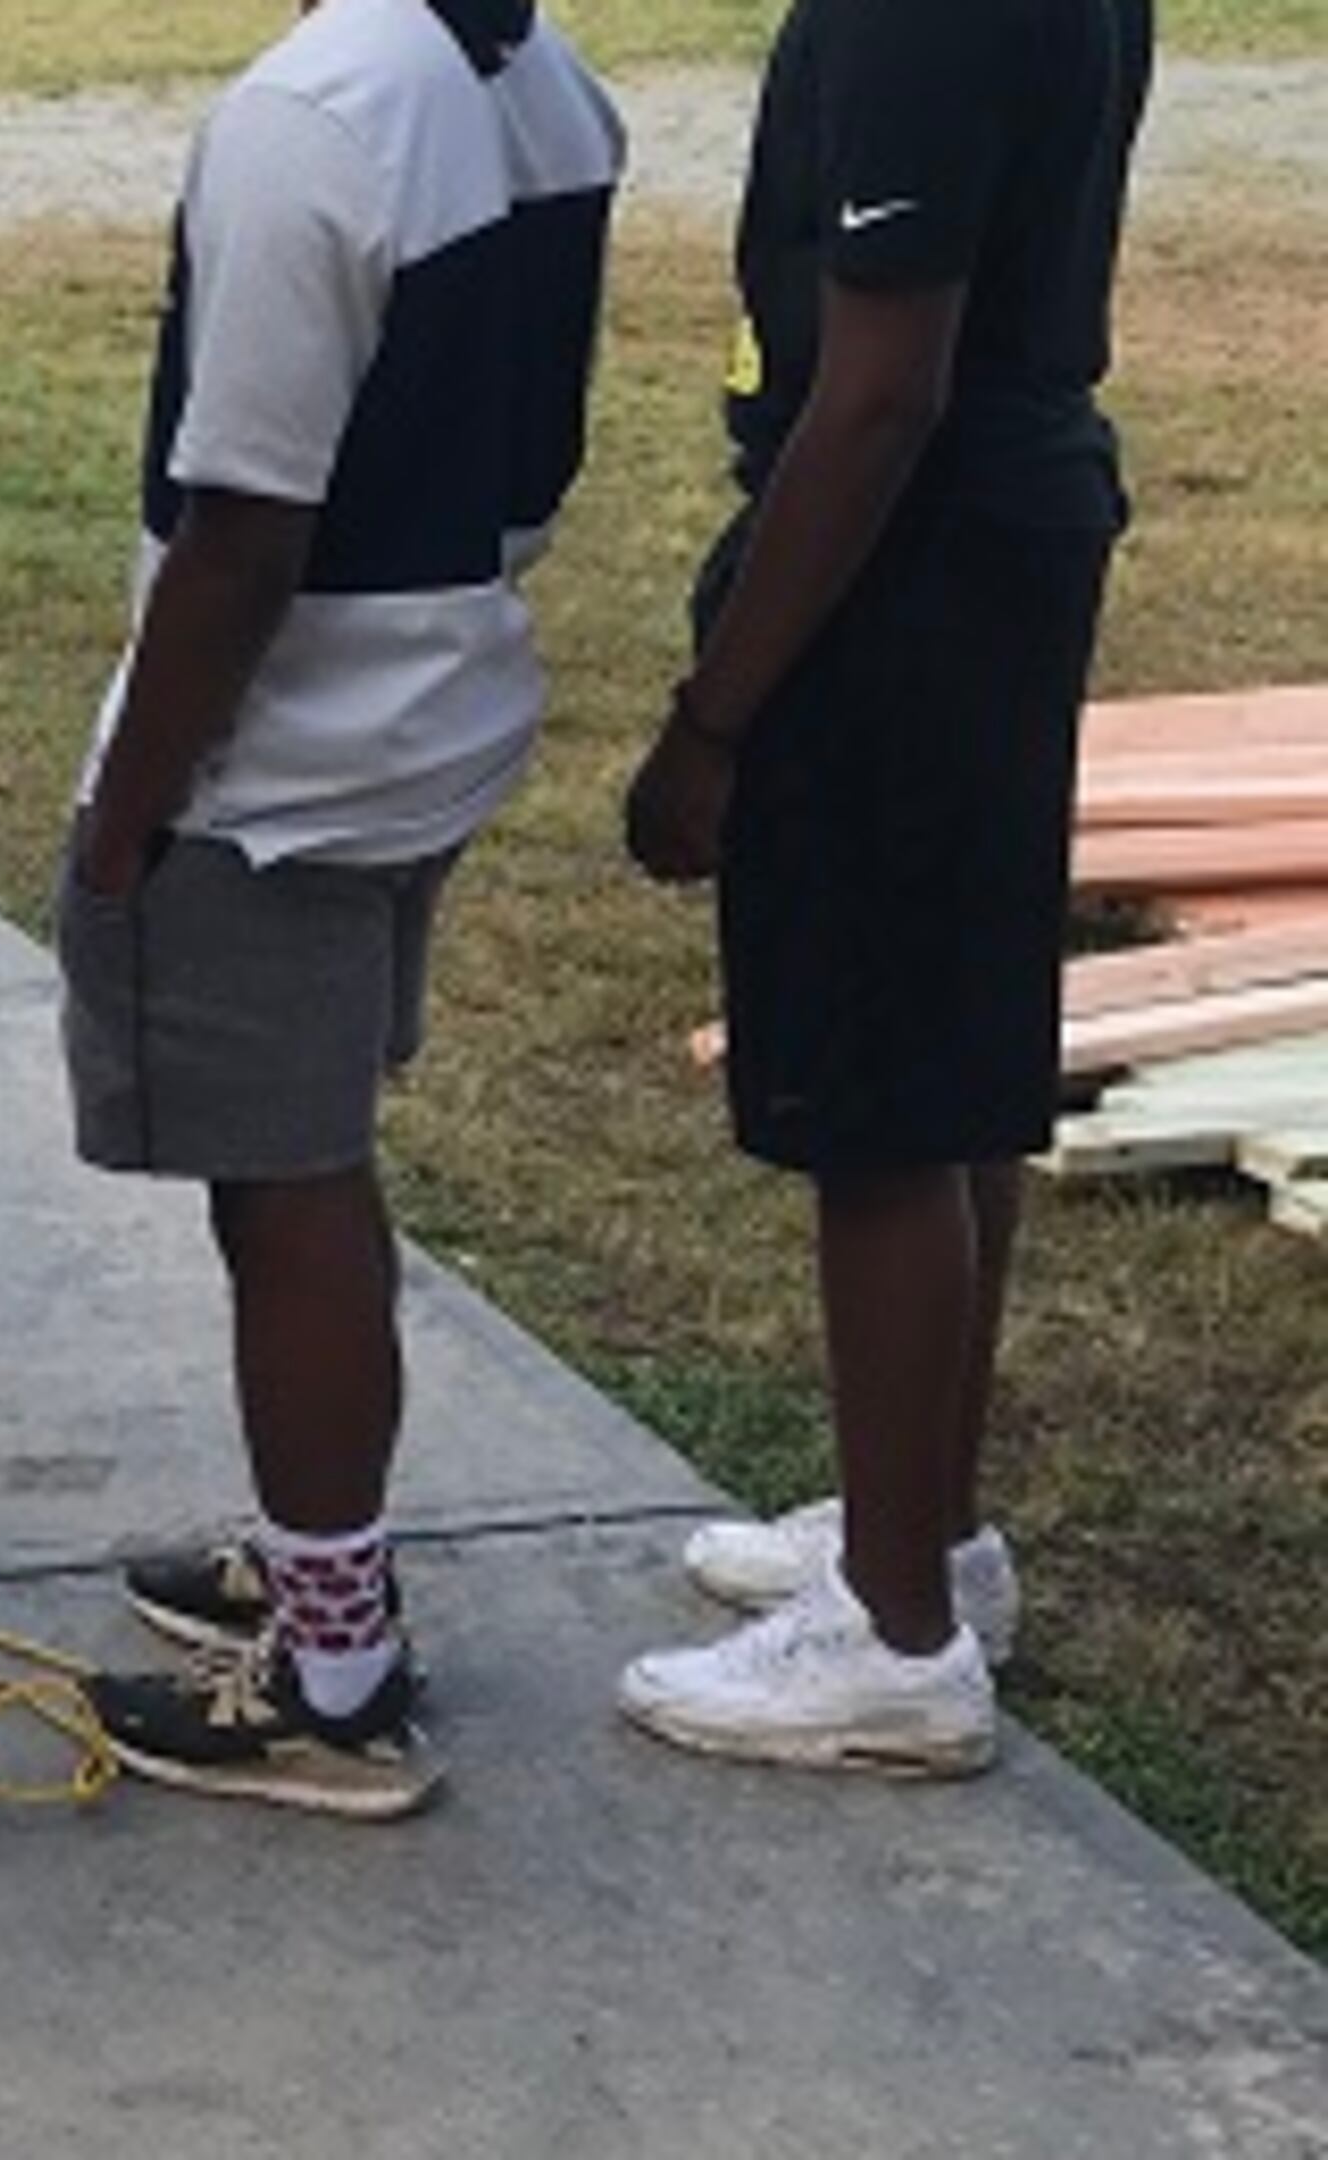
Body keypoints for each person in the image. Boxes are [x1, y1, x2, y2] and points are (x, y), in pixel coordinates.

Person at [57, 0, 620, 1817]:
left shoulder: (313, 113)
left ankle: (331, 1675)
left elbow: (243, 534)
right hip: (433, 700)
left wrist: (128, 809)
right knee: (316, 1165)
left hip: (274, 773)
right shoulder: (546, 85)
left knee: (282, 1193)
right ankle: (328, 1557)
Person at [616, 0, 1152, 1773]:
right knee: (952, 1070)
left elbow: (880, 388)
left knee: (876, 1108)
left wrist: (716, 717)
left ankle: (897, 1641)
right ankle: (917, 1529)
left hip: (904, 575)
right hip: (995, 534)